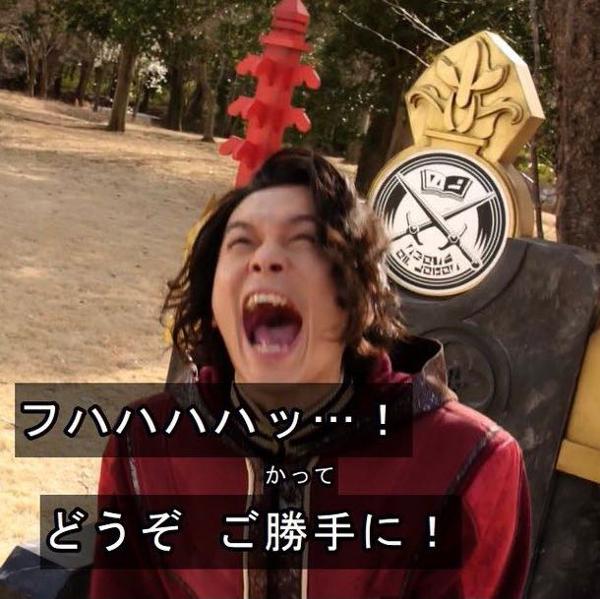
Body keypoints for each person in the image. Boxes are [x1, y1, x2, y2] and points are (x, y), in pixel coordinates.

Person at [90, 148, 531, 599]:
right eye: (241, 243)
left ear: (361, 297)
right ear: (214, 305)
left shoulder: (469, 460)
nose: (265, 258)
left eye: (305, 241)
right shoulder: (145, 445)